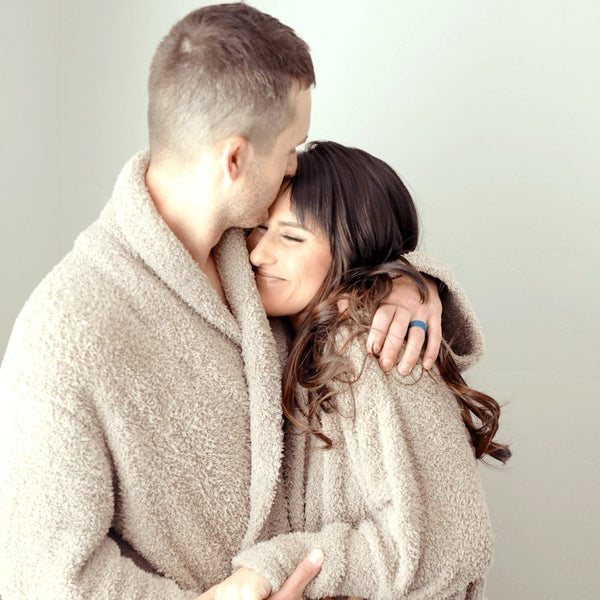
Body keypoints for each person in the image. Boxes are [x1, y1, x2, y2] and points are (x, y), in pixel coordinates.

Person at [0, 6, 484, 600]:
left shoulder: (249, 250)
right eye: (290, 147)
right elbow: (44, 577)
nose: (293, 168)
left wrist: (405, 284)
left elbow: (344, 254)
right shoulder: (67, 332)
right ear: (234, 159)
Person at [208, 141, 511, 599]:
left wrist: (269, 570)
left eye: (291, 237)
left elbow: (447, 546)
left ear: (351, 253)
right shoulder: (294, 343)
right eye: (259, 230)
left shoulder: (380, 352)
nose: (257, 255)